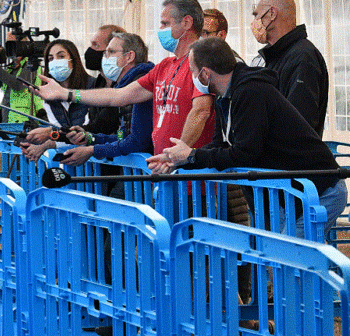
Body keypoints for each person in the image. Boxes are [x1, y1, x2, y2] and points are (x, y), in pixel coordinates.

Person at [145, 37, 347, 239]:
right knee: (280, 263)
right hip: (291, 194)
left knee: (289, 262)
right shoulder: (224, 95)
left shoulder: (250, 91)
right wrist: (178, 160)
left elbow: (245, 152)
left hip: (319, 190)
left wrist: (191, 156)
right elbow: (220, 144)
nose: (192, 76)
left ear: (206, 73)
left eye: (193, 71)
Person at [33, 0, 215, 161]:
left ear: (187, 22)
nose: (160, 29)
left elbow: (201, 111)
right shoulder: (164, 67)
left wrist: (179, 153)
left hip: (193, 178)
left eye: (165, 23)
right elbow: (119, 96)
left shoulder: (203, 61)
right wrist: (67, 94)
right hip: (164, 172)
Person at [62, 32, 155, 166]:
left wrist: (93, 150)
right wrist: (90, 138)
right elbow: (122, 137)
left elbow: (137, 141)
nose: (105, 57)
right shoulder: (125, 85)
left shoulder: (140, 85)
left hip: (149, 172)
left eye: (111, 52)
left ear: (129, 56)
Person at [250, 0, 328, 137]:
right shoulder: (275, 56)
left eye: (257, 15)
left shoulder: (303, 57)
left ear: (272, 13)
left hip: (291, 156)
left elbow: (298, 124)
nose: (254, 22)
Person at [21, 39, 95, 162]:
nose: (56, 61)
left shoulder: (92, 86)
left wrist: (47, 141)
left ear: (73, 59)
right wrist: (39, 143)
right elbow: (59, 133)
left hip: (97, 159)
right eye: (50, 59)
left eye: (61, 56)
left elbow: (83, 131)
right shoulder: (49, 97)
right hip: (73, 161)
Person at [0, 32, 45, 123]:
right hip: (7, 120)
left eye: (13, 44)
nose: (9, 49)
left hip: (25, 120)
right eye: (8, 44)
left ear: (23, 46)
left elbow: (18, 85)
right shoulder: (12, 67)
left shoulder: (31, 64)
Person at [81, 25, 127, 136]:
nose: (90, 50)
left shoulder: (125, 84)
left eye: (96, 45)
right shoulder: (99, 82)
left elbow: (102, 126)